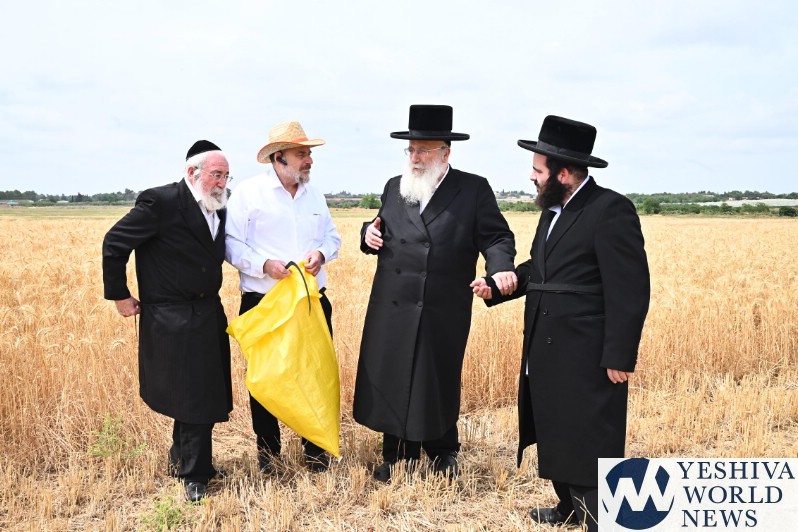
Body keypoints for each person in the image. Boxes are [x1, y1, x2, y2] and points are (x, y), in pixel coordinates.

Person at [471, 116, 650, 531]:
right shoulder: (552, 213)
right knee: (555, 426)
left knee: (588, 434)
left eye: (538, 170)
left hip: (587, 351)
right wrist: (498, 287)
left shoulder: (610, 209)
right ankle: (568, 505)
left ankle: (598, 517)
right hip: (546, 346)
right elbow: (541, 270)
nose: (532, 177)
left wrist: (620, 354)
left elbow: (631, 289)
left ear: (563, 173)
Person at [354, 104, 517, 482]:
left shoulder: (472, 189)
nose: (414, 158)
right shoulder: (395, 186)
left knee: (436, 376)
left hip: (442, 304)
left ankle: (443, 451)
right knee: (395, 375)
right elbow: (380, 225)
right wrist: (367, 234)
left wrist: (499, 268)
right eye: (410, 149)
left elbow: (497, 237)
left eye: (423, 150)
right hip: (394, 303)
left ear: (446, 152)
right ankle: (398, 456)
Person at [102, 140, 233, 502]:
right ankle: (195, 474)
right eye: (216, 174)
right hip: (173, 317)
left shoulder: (217, 206)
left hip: (208, 313)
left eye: (226, 175)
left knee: (200, 394)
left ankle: (182, 461)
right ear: (192, 172)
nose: (222, 182)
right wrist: (120, 295)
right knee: (193, 397)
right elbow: (114, 243)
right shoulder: (160, 202)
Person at [225, 120, 341, 473]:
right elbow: (230, 245)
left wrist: (321, 253)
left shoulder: (314, 194)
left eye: (309, 153)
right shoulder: (248, 193)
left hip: (309, 303)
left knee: (315, 375)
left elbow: (332, 238)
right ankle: (269, 454)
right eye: (301, 153)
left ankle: (316, 452)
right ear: (279, 158)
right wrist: (264, 265)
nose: (309, 160)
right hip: (264, 303)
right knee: (266, 379)